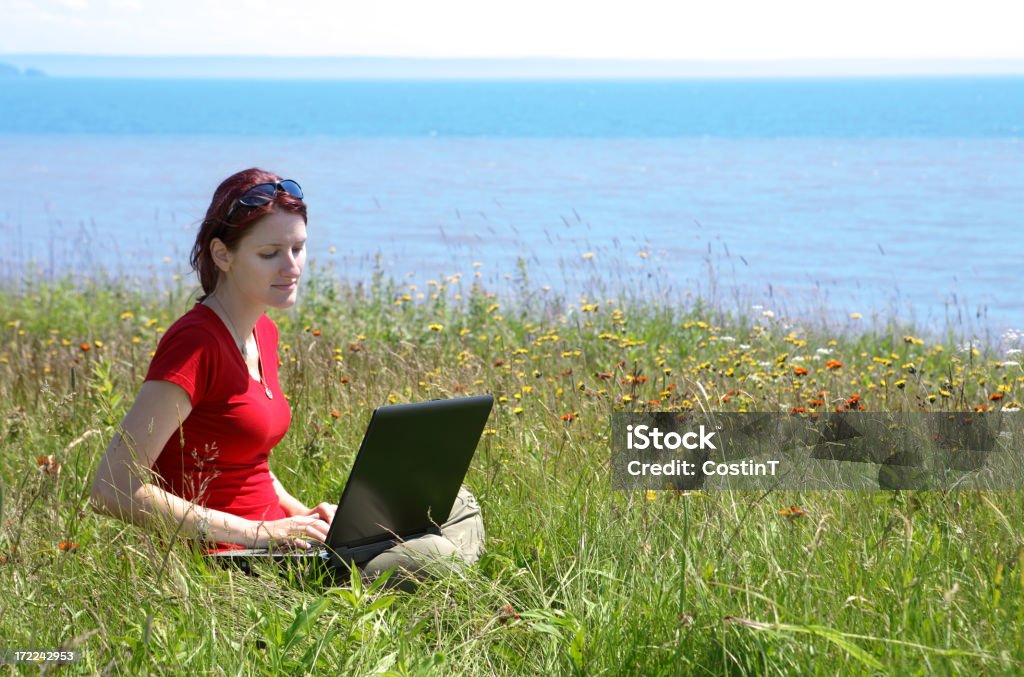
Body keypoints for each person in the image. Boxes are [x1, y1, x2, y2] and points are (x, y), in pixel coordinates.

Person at [90, 168, 484, 585]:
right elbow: (112, 488)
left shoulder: (263, 331)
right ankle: (424, 582)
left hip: (288, 545)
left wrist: (307, 517)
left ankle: (407, 577)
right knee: (437, 553)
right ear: (223, 255)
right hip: (235, 560)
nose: (291, 266)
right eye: (270, 253)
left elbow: (247, 460)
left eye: (298, 248)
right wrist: (260, 533)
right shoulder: (195, 344)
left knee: (456, 501)